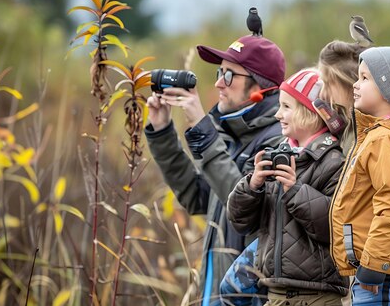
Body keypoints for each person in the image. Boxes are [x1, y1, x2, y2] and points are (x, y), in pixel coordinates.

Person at [145, 34, 287, 306]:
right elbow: (198, 197)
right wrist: (162, 132)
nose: (218, 83)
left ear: (260, 87)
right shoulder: (233, 133)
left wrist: (202, 126)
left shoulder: (276, 141)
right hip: (215, 293)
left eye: (230, 76)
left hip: (246, 298)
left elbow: (246, 207)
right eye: (219, 72)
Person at [227, 69, 349, 305]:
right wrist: (252, 186)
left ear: (310, 113)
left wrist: (295, 190)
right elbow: (240, 221)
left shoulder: (334, 162)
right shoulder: (278, 156)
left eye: (286, 107)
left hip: (317, 296)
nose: (277, 114)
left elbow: (332, 227)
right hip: (275, 293)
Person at [330, 47, 390, 305]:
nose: (355, 84)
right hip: (377, 268)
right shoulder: (376, 136)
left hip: (382, 271)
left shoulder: (385, 140)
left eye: (365, 78)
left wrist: (373, 264)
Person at [317, 40, 368, 152]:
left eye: (328, 83)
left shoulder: (368, 133)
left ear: (349, 83)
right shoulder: (350, 125)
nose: (322, 94)